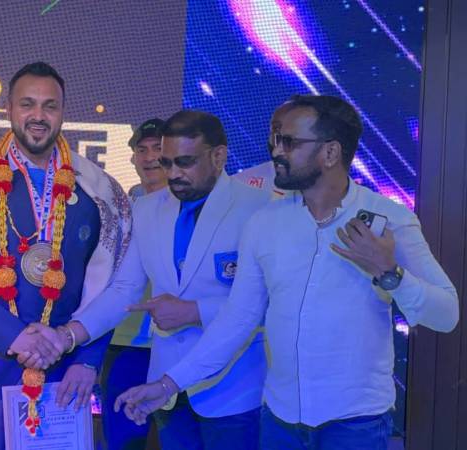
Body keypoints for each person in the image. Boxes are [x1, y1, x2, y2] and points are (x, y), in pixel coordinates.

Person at [115, 95, 460, 450]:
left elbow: (447, 314)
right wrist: (168, 384)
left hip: (355, 423)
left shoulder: (389, 219)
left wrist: (389, 272)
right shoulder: (265, 223)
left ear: (330, 153)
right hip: (280, 421)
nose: (276, 152)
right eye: (275, 140)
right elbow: (237, 319)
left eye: (289, 142)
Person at [0, 62, 132, 449]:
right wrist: (14, 336)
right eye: (27, 104)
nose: (38, 115)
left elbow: (113, 288)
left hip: (65, 370)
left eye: (49, 105)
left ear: (63, 111)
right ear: (8, 108)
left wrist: (88, 358)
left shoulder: (101, 190)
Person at [59, 110, 270, 449]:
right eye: (167, 162)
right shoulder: (146, 209)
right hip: (166, 386)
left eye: (185, 162)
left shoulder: (259, 208)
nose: (173, 174)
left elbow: (266, 304)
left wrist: (195, 311)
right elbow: (124, 290)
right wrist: (67, 335)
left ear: (219, 156)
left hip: (235, 389)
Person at [99, 118, 166, 450]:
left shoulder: (191, 209)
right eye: (143, 149)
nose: (150, 157)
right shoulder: (119, 209)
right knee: (123, 438)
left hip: (175, 342)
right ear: (132, 157)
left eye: (158, 149)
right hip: (124, 342)